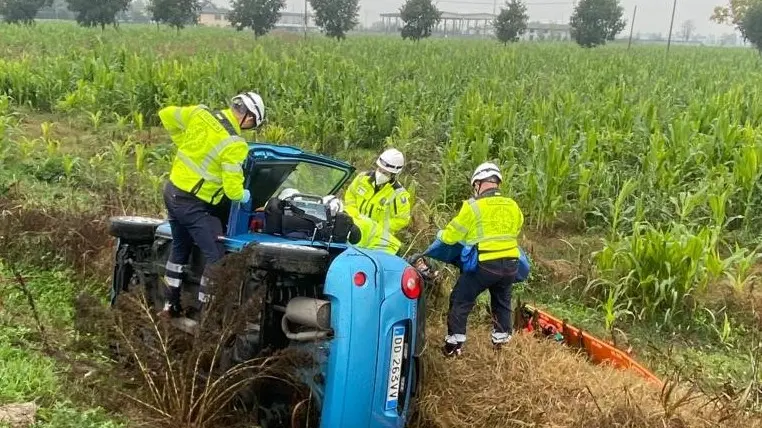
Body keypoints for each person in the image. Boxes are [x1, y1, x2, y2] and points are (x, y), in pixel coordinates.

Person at [158, 91, 266, 318]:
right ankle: (205, 314)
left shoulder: (200, 113)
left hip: (172, 191)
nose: (249, 128)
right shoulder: (234, 144)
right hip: (191, 204)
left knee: (180, 246)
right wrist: (247, 196)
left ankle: (170, 305)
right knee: (216, 256)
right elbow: (232, 191)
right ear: (247, 117)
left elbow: (166, 114)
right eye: (253, 124)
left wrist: (184, 144)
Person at [422, 162, 524, 357]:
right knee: (502, 303)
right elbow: (517, 227)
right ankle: (501, 345)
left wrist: (440, 235)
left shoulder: (473, 206)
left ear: (478, 183)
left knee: (460, 299)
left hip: (485, 265)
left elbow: (452, 235)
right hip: (511, 265)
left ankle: (454, 345)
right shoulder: (512, 205)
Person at [342, 148, 412, 250]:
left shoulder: (398, 194)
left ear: (393, 175)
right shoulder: (362, 179)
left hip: (377, 239)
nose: (380, 174)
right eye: (379, 170)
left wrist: (377, 226)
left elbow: (402, 219)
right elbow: (350, 196)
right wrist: (354, 215)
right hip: (354, 229)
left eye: (385, 173)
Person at [324, 195, 401, 255]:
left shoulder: (353, 225)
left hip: (388, 249)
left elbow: (353, 250)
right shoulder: (345, 219)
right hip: (373, 247)